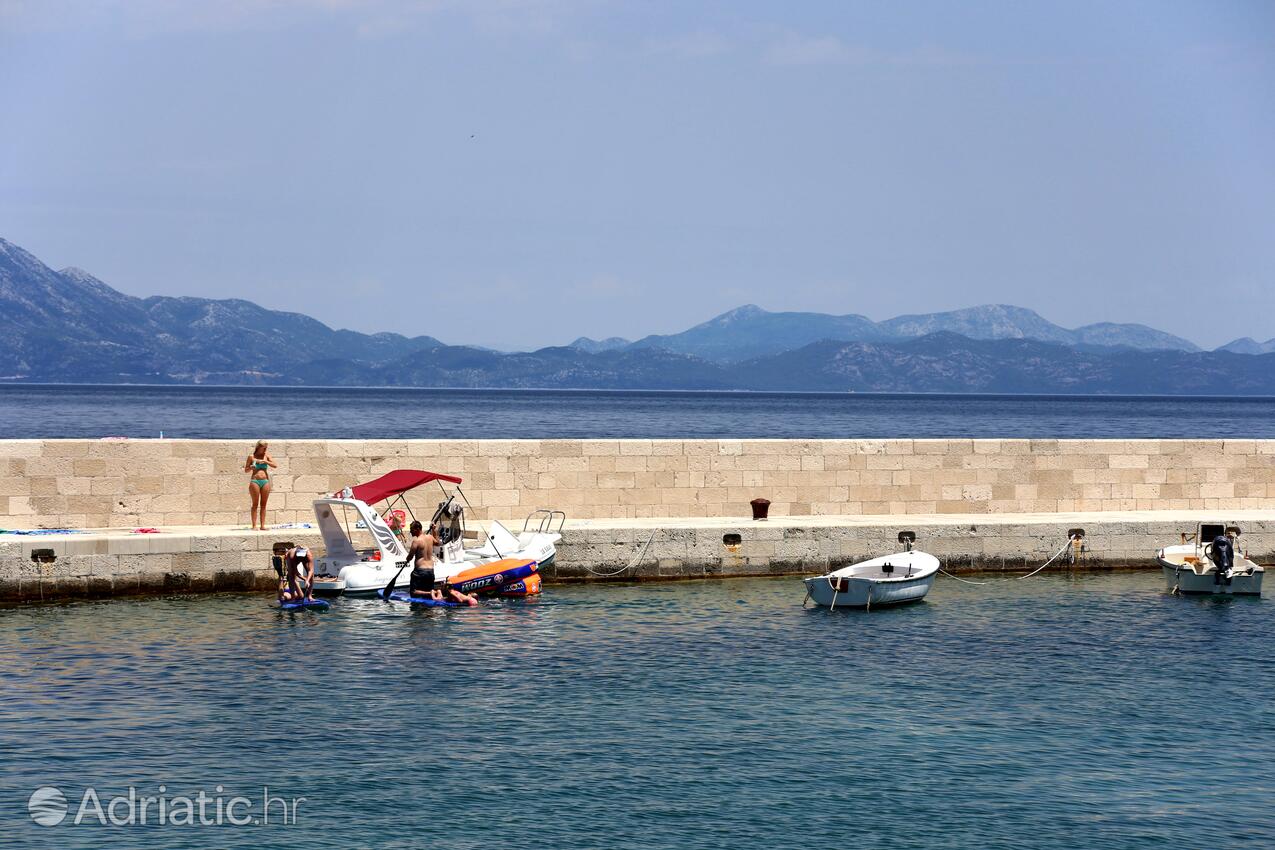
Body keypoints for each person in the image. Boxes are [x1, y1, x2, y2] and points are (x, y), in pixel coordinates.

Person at [244, 441, 277, 531]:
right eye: (264, 447)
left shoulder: (266, 455)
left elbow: (275, 465)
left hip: (265, 481)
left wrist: (265, 461)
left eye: (266, 447)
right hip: (255, 480)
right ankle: (254, 525)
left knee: (263, 504)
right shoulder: (252, 457)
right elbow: (246, 470)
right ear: (258, 447)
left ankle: (262, 525)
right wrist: (251, 467)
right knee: (255, 504)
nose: (265, 449)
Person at [407, 520, 442, 600]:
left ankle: (431, 592)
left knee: (413, 592)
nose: (411, 531)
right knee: (428, 596)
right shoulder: (430, 537)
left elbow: (410, 557)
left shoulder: (416, 541)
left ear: (417, 529)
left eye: (412, 529)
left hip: (419, 572)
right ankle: (432, 592)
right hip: (430, 571)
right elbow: (437, 543)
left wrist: (407, 558)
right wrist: (434, 530)